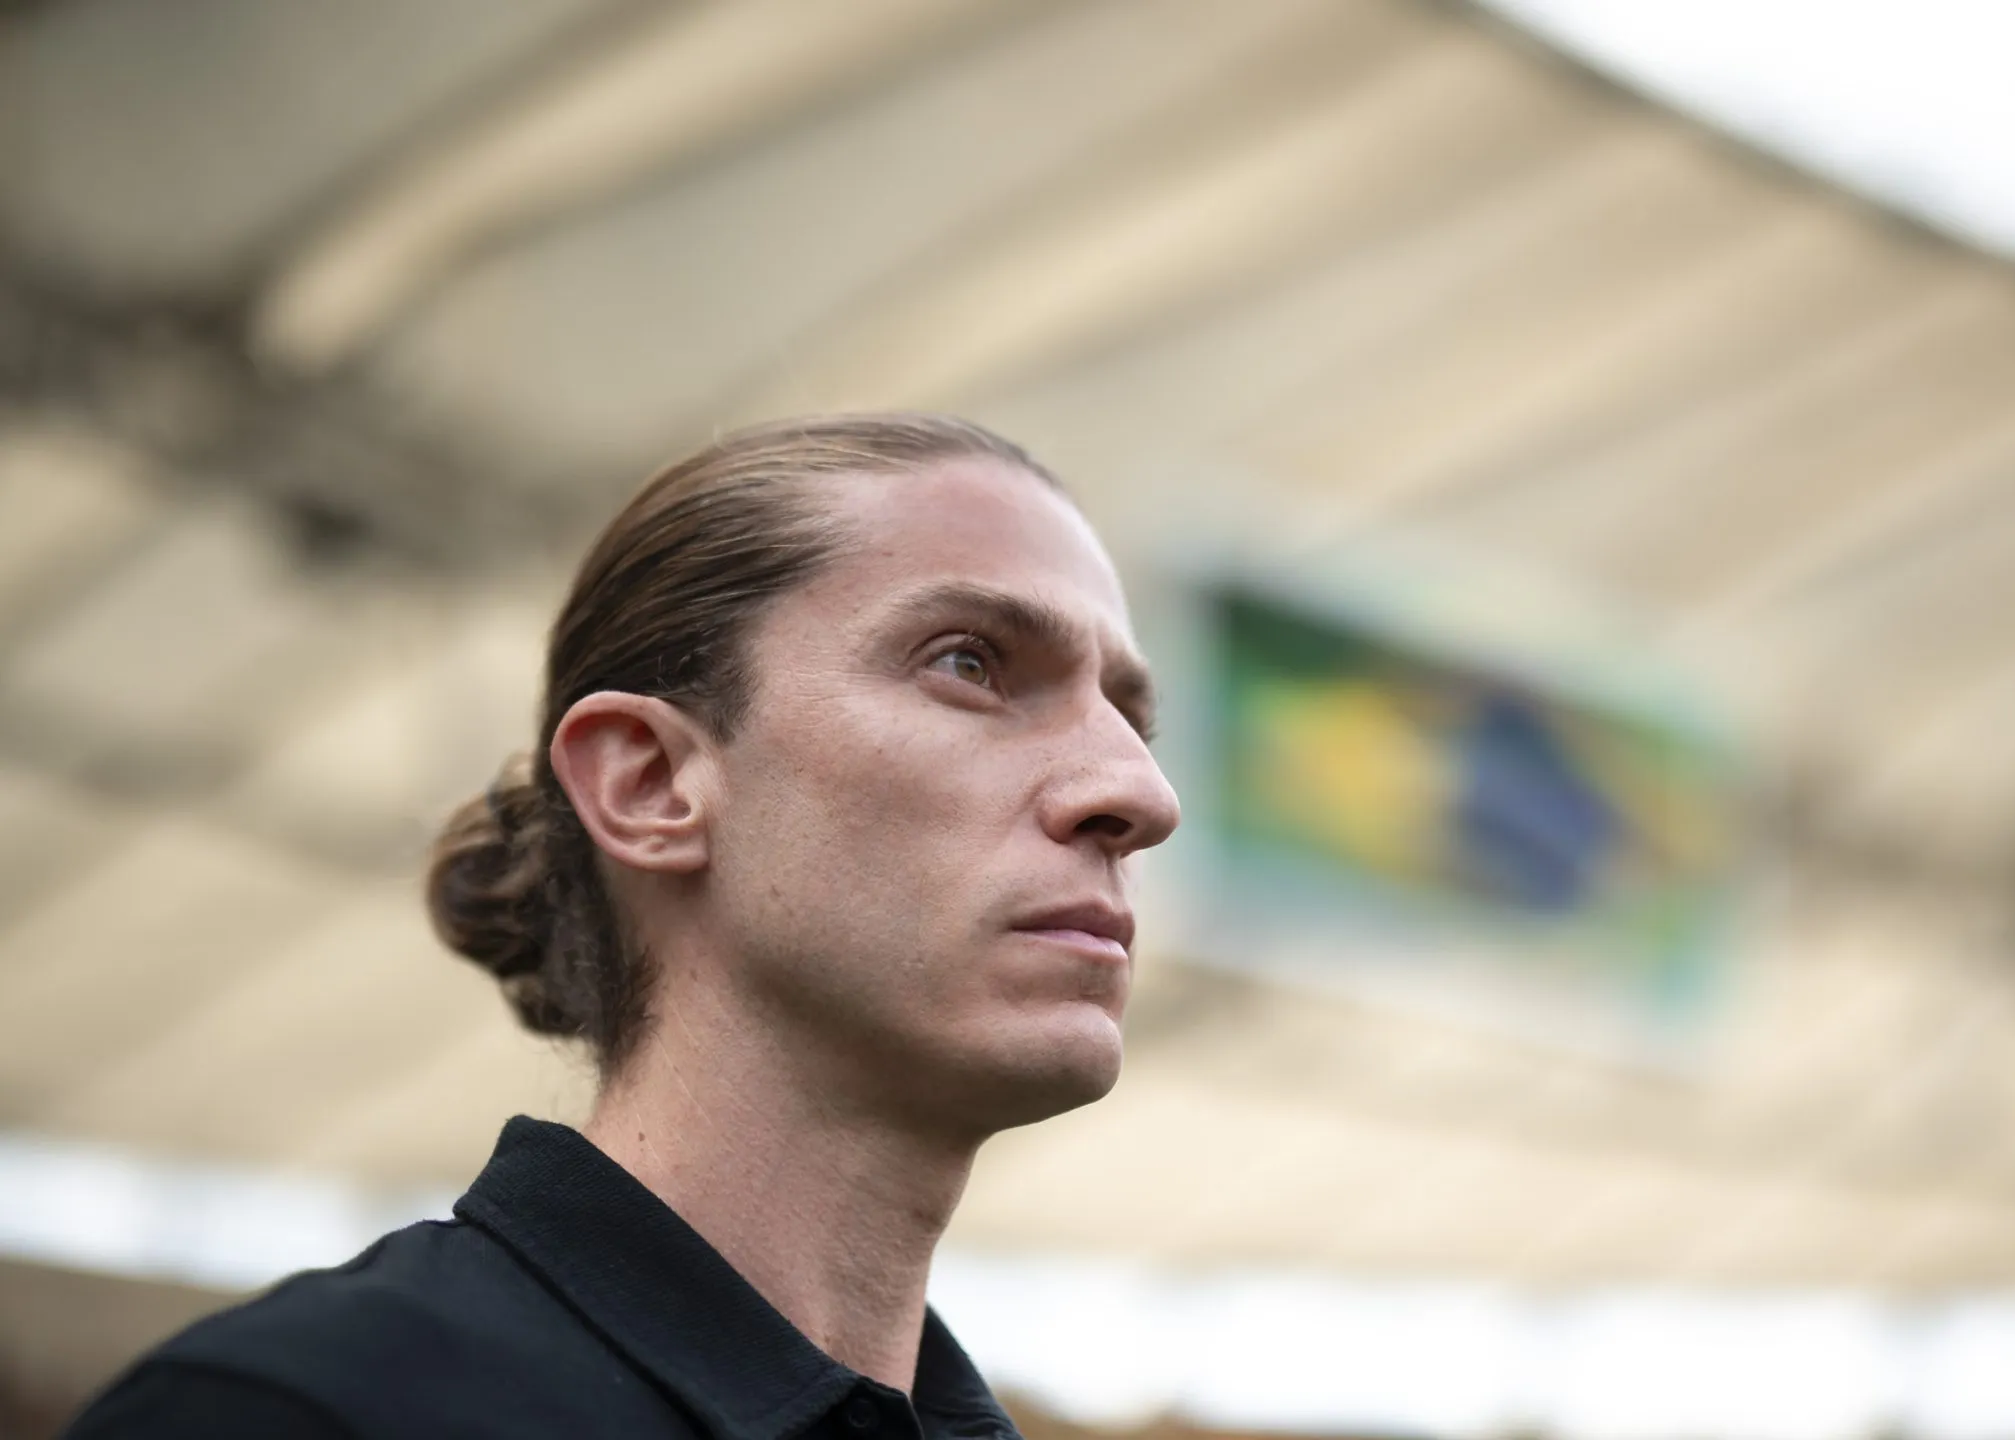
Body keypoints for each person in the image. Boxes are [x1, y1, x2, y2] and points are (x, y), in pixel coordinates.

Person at [65, 414, 1182, 1438]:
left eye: (1127, 715)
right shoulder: (303, 1413)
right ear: (649, 785)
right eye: (970, 663)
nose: (1139, 794)